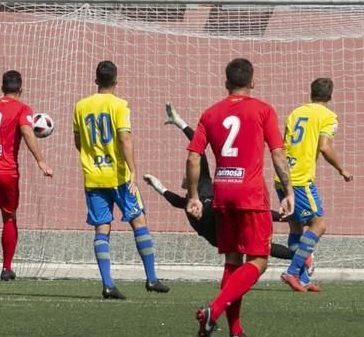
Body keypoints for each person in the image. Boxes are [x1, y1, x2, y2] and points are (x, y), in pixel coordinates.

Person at [186, 58, 294, 337]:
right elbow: (278, 154)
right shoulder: (263, 110)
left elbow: (194, 155)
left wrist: (195, 195)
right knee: (259, 260)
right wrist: (289, 191)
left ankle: (235, 330)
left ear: (226, 83)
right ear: (252, 82)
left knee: (233, 260)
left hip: (223, 192)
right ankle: (214, 309)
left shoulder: (210, 114)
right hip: (251, 194)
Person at [144, 103, 295, 263]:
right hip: (215, 233)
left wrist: (180, 123)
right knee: (258, 247)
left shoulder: (203, 184)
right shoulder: (191, 202)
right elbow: (174, 200)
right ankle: (297, 253)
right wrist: (157, 186)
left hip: (224, 219)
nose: (186, 175)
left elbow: (198, 152)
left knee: (260, 242)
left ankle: (299, 257)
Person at [73, 61, 169, 300]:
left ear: (96, 81)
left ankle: (107, 284)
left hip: (93, 176)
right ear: (116, 81)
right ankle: (151, 278)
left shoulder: (81, 106)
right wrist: (133, 169)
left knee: (102, 229)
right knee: (139, 221)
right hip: (119, 176)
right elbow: (124, 138)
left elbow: (78, 142)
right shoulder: (120, 105)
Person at [0, 70, 54, 282]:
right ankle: (6, 268)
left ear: (2, 88)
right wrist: (40, 160)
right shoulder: (23, 109)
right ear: (21, 88)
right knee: (9, 216)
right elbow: (27, 132)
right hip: (7, 171)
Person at [277, 78, 353, 293]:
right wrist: (341, 169)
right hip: (300, 179)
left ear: (311, 93)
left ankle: (301, 279)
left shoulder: (296, 112)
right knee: (319, 225)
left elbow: (284, 143)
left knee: (296, 227)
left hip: (283, 175)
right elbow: (325, 147)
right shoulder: (328, 116)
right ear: (330, 96)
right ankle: (292, 271)